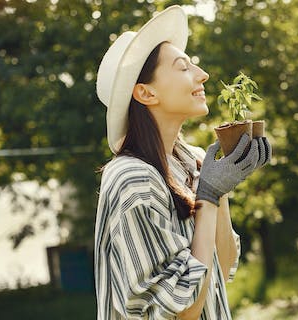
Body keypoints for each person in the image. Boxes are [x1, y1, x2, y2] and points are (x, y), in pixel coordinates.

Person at [94, 6, 271, 320]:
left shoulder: (192, 161)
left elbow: (225, 263)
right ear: (146, 93)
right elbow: (184, 312)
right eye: (183, 67)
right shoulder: (132, 178)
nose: (202, 75)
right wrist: (208, 195)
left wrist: (220, 184)